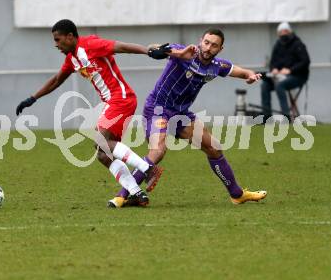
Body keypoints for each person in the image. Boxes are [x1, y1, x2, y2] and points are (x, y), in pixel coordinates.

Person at [16, 19, 190, 207]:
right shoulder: (72, 59)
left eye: (58, 40)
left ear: (70, 36)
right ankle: (137, 193)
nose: (55, 44)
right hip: (112, 102)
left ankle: (147, 168)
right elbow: (57, 80)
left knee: (101, 141)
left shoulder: (89, 44)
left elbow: (121, 46)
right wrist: (33, 98)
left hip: (121, 98)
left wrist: (148, 51)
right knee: (102, 154)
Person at [108, 28, 267, 208]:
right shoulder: (184, 52)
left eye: (214, 45)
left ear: (220, 49)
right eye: (206, 42)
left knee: (213, 148)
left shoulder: (216, 65)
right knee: (158, 151)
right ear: (201, 41)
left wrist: (249, 75)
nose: (208, 48)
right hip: (158, 108)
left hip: (181, 114)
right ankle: (123, 195)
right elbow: (153, 48)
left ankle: (237, 195)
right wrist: (178, 53)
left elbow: (234, 70)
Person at [261, 22, 310, 121]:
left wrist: (290, 70)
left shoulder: (298, 44)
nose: (283, 34)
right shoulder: (277, 45)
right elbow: (273, 62)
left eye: (285, 32)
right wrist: (273, 69)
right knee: (264, 85)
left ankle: (286, 116)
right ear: (278, 34)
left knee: (280, 85)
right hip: (279, 76)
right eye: (281, 32)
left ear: (290, 32)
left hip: (298, 76)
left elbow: (305, 61)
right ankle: (266, 117)